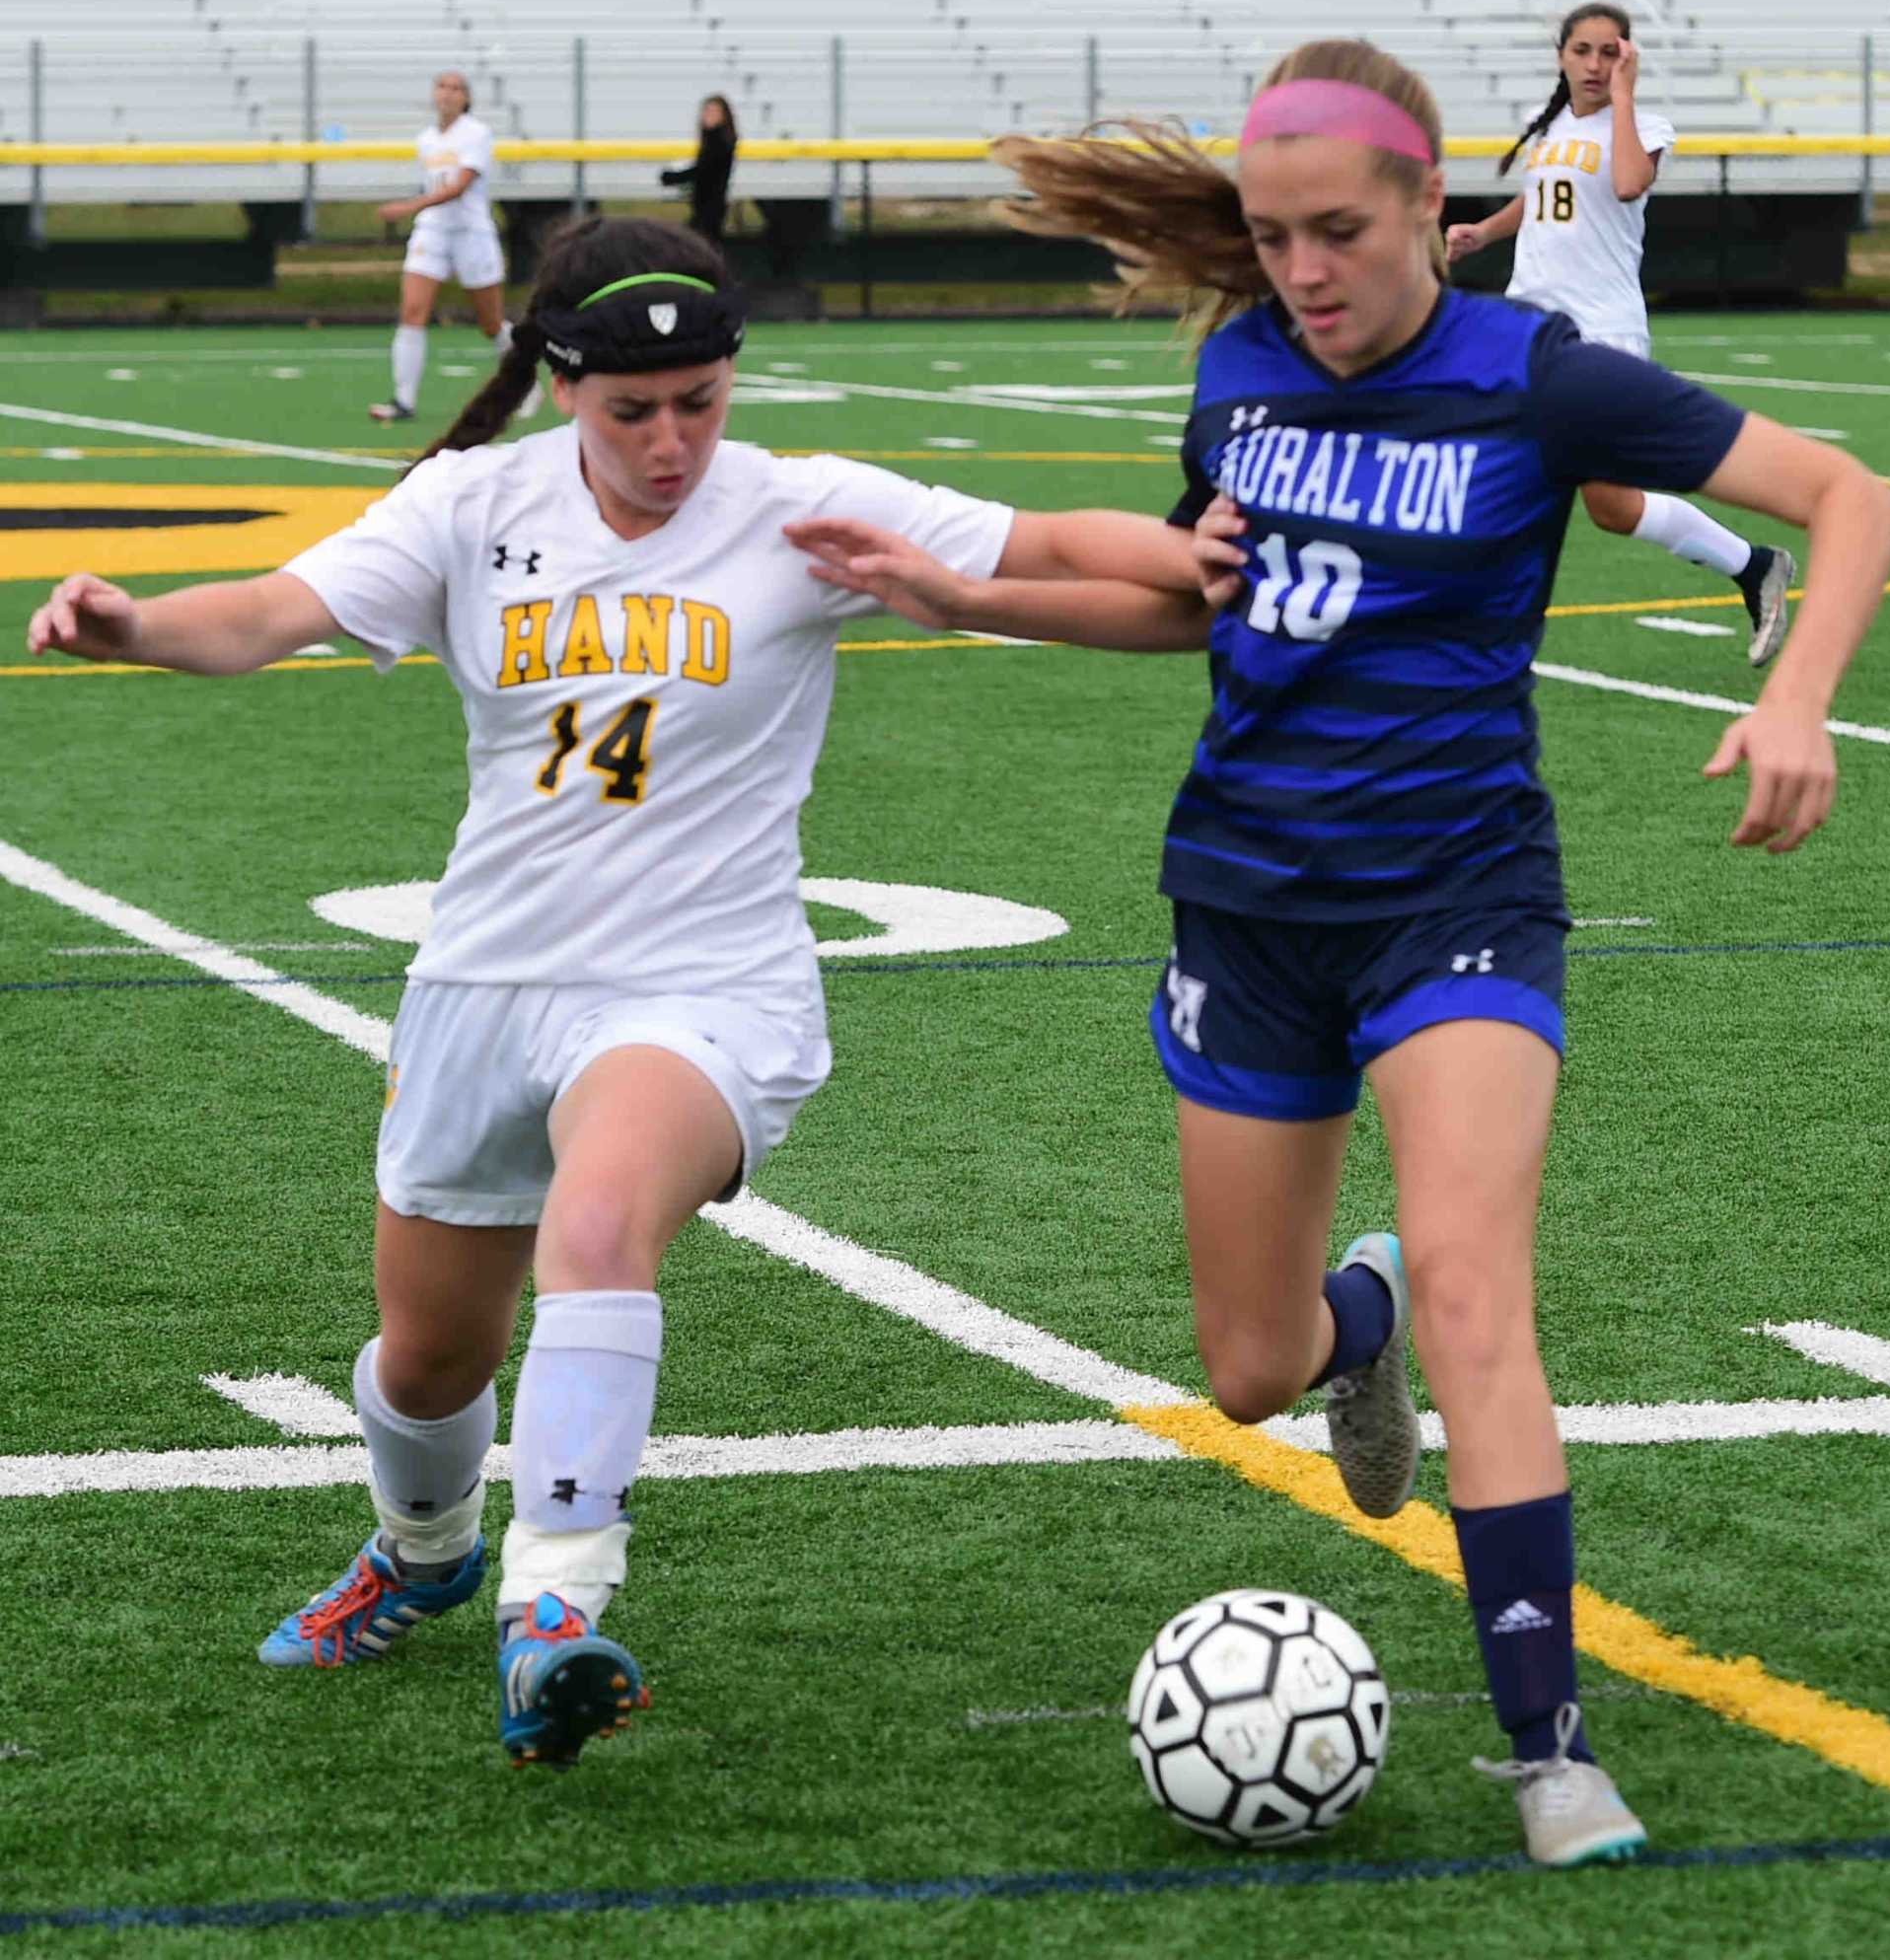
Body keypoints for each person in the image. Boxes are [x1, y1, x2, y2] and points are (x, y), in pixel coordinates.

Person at [784, 38, 1890, 1865]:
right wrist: (966, 595)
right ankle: (1346, 1324)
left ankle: (1548, 1750)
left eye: (1333, 233)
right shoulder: (1233, 374)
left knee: (1486, 1296)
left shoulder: (1534, 380)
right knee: (1244, 1366)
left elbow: (1849, 498)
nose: (1299, 271)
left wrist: (1796, 697)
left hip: (1456, 892)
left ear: (1425, 221)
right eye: (1266, 234)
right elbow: (1209, 614)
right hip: (1244, 903)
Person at [24, 216, 1205, 1770]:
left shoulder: (800, 506)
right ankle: (424, 1551)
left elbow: (1054, 544)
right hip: (483, 982)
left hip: (703, 986)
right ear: (560, 382)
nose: (670, 441)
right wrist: (134, 629)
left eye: (700, 402)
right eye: (632, 409)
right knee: (427, 1362)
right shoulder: (469, 503)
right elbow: (258, 614)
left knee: (597, 1230)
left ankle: (556, 1612)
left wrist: (1203, 552)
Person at [1445, 5, 1793, 666]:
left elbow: (1629, 182)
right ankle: (1460, 612)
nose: (1595, 65)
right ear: (1561, 56)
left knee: (1609, 505)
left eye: (1609, 53)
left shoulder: (1643, 125)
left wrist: (1627, 99)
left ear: (1626, 58)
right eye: (1582, 50)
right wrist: (1483, 233)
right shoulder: (1550, 124)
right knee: (1481, 455)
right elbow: (1543, 195)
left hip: (1600, 332)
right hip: (1530, 325)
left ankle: (1752, 566)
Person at [370, 70, 538, 428]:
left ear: (466, 98)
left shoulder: (476, 134)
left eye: (456, 88)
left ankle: (525, 383)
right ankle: (403, 400)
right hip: (432, 232)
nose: (447, 94)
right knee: (412, 312)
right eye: (442, 86)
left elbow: (459, 187)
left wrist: (408, 206)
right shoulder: (427, 139)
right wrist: (419, 213)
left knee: (490, 324)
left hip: (470, 233)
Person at [659, 95, 738, 244]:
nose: (708, 116)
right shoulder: (713, 139)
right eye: (706, 111)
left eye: (714, 112)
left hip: (711, 208)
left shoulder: (720, 141)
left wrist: (672, 177)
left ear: (724, 116)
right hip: (707, 206)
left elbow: (703, 171)